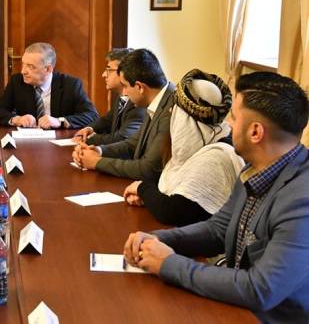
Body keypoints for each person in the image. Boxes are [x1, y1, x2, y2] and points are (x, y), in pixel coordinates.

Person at [123, 72, 309, 322]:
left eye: (234, 116)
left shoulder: (302, 200)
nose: (228, 123)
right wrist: (157, 239)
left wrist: (168, 263)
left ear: (255, 132)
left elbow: (260, 289)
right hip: (236, 306)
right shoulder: (256, 167)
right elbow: (218, 230)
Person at [123, 69, 244, 226]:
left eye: (175, 108)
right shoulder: (203, 143)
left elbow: (174, 212)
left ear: (185, 118)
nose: (171, 111)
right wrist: (148, 198)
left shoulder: (216, 157)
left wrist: (142, 189)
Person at [73, 48, 174, 182]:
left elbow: (148, 169)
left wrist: (97, 162)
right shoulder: (157, 100)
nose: (124, 93)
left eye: (125, 86)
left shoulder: (172, 109)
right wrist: (98, 151)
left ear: (139, 87)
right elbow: (132, 144)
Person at [0, 42, 98, 129]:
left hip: (60, 141)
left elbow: (92, 115)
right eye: (23, 64)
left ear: (48, 69)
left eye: (30, 66)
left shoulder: (70, 84)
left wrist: (59, 121)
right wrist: (17, 119)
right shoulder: (17, 82)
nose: (23, 71)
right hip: (27, 141)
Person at [73, 48, 145, 145]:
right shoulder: (121, 98)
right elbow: (107, 120)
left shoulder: (139, 102)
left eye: (109, 70)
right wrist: (89, 129)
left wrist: (89, 139)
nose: (103, 75)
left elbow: (122, 138)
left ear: (125, 72)